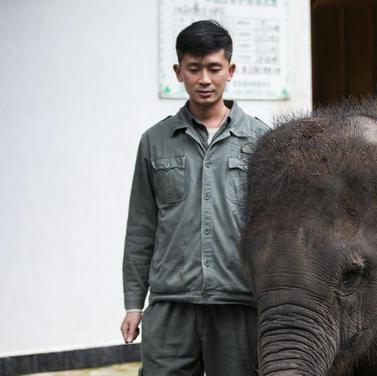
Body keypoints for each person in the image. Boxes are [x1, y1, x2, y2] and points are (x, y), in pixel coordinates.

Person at [119, 20, 269, 375]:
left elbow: (273, 232)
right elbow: (141, 227)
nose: (205, 79)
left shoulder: (261, 140)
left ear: (230, 71)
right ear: (179, 72)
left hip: (239, 303)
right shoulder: (155, 141)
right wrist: (133, 303)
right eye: (194, 68)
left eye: (214, 68)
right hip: (172, 304)